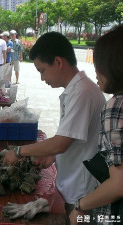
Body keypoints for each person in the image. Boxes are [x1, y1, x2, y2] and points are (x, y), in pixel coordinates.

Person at [3, 31, 106, 223]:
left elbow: (61, 143)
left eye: (42, 70)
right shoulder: (75, 90)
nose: (42, 78)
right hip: (73, 187)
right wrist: (52, 155)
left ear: (58, 62)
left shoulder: (83, 92)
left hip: (82, 193)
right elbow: (72, 138)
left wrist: (18, 151)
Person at [69, 25, 123, 225]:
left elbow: (119, 184)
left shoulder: (117, 105)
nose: (96, 71)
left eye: (99, 64)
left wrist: (80, 205)